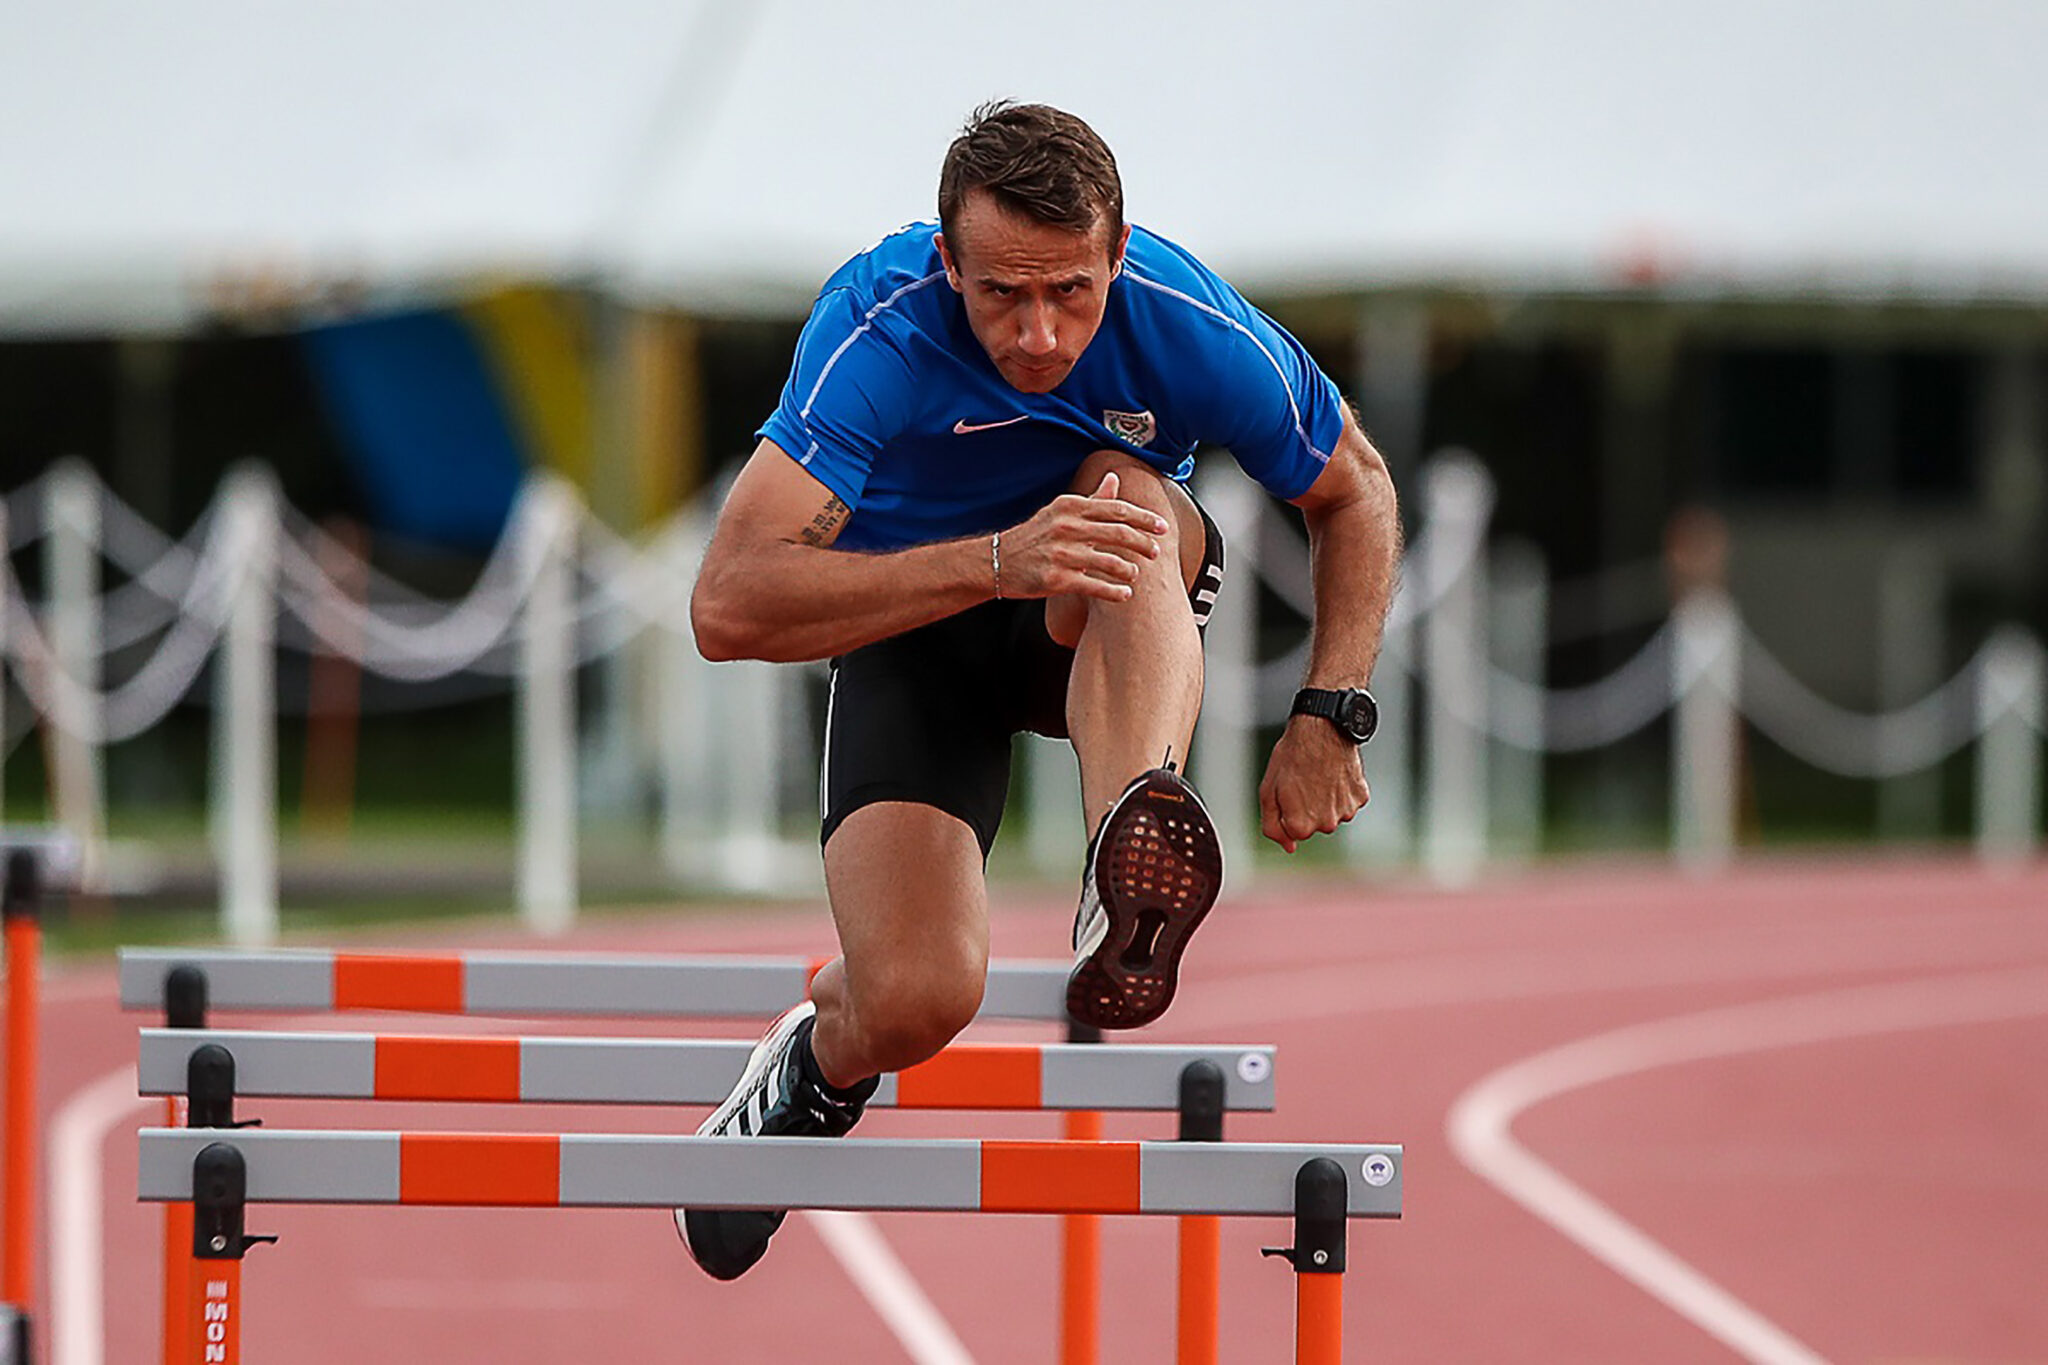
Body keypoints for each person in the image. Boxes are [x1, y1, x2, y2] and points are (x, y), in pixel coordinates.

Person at [678, 100, 1401, 1280]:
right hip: (923, 631)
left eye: (1070, 290)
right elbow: (728, 604)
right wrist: (997, 558)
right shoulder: (879, 325)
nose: (1039, 334)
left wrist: (1331, 710)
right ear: (944, 260)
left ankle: (1125, 843)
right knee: (920, 997)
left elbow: (1353, 489)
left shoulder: (1180, 319)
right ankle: (819, 1062)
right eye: (1000, 294)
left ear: (1118, 253)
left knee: (1124, 493)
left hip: (1100, 622)